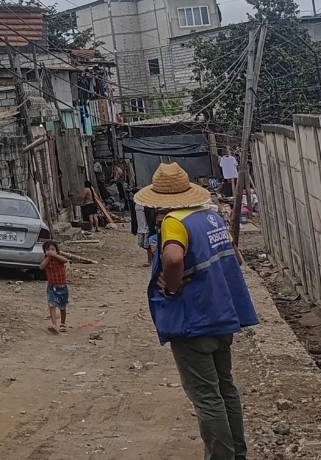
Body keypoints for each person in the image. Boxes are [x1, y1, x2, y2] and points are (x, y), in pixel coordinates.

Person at [136, 162, 260, 460]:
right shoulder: (211, 217)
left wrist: (173, 286)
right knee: (225, 388)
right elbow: (236, 258)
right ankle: (237, 453)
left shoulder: (174, 222)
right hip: (222, 315)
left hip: (194, 320)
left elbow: (173, 258)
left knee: (206, 397)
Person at [40, 240, 70, 334]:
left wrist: (55, 255)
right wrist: (49, 257)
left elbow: (65, 260)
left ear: (57, 251)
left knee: (62, 307)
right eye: (48, 249)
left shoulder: (59, 258)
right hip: (51, 287)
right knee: (52, 305)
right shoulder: (46, 259)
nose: (50, 251)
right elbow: (41, 267)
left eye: (52, 249)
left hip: (62, 287)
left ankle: (63, 324)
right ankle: (54, 325)